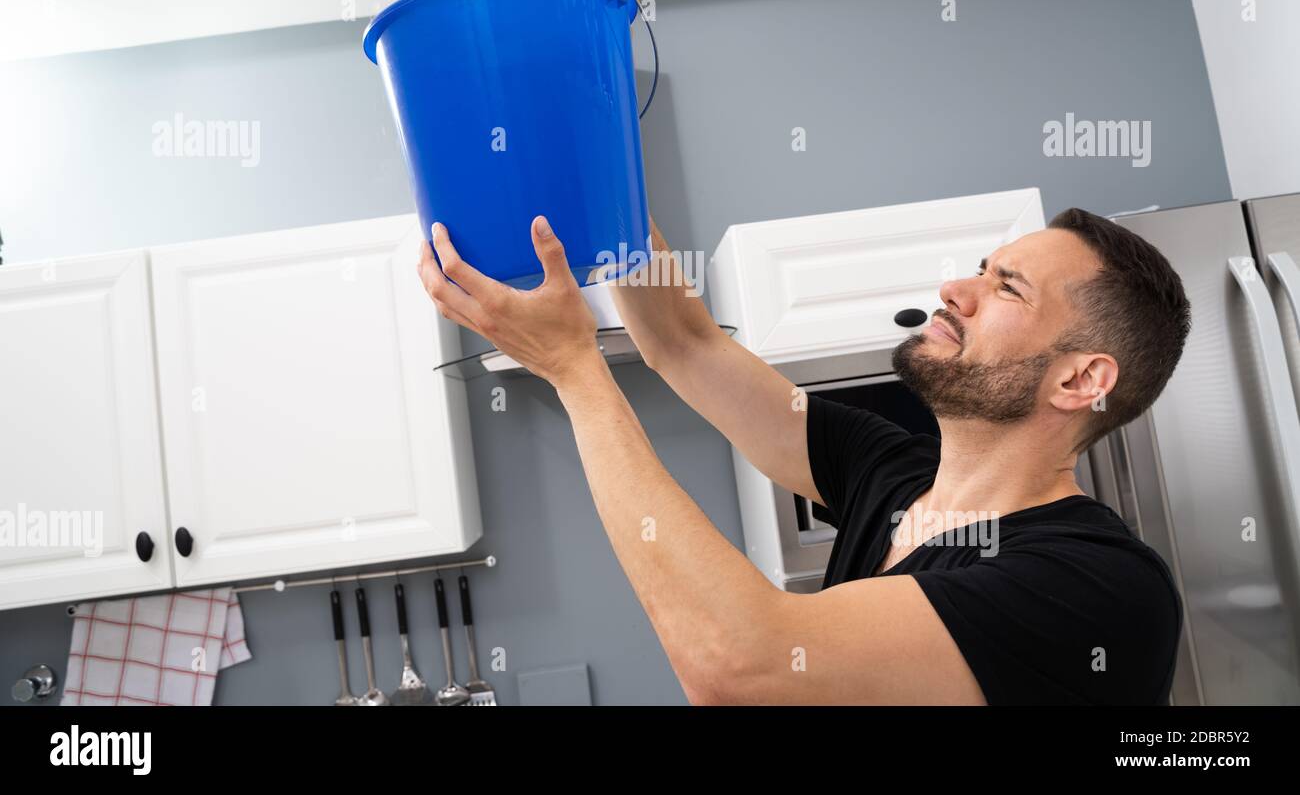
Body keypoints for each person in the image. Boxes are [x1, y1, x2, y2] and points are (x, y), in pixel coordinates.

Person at [417, 205, 1190, 705]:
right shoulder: (888, 472)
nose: (956, 287)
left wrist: (573, 372)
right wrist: (602, 179)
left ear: (1081, 378)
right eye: (981, 268)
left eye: (1007, 289)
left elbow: (738, 665)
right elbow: (685, 344)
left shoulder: (1101, 588)